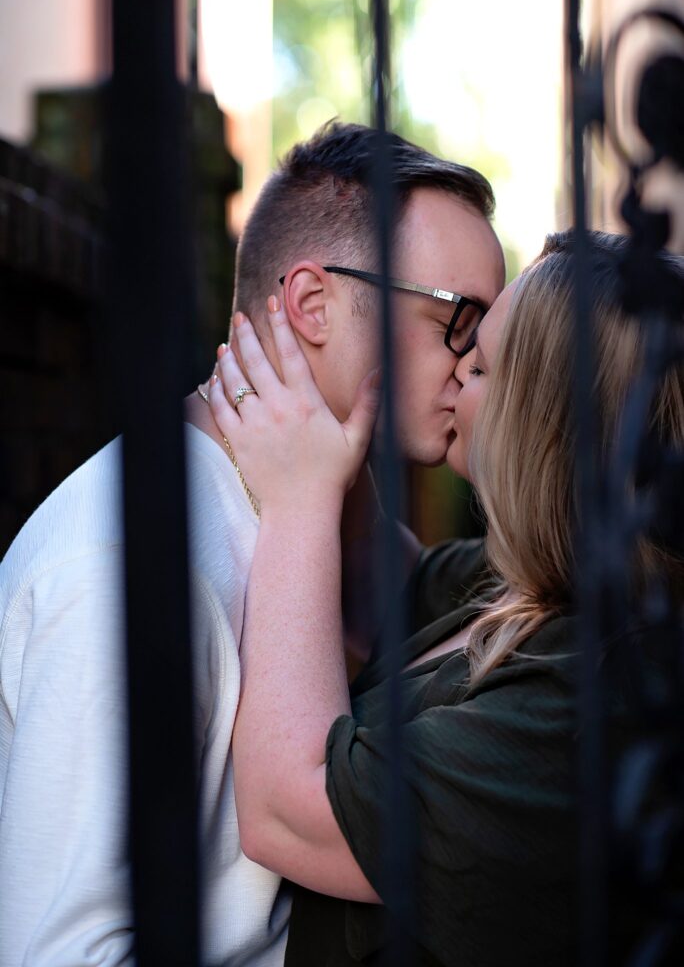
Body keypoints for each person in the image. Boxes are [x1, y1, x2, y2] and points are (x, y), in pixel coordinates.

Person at [0, 121, 503, 965]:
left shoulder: (328, 519)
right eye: (459, 318)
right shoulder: (126, 568)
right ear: (312, 305)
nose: (479, 356)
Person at [207, 229, 684, 966]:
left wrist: (300, 495)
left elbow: (287, 813)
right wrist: (342, 384)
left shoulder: (596, 688)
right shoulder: (539, 585)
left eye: (482, 365)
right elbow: (370, 583)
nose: (456, 371)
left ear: (546, 423)